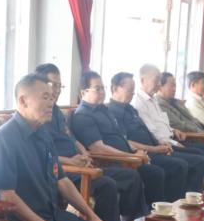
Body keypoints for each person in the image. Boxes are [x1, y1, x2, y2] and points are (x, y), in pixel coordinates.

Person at [0, 73, 107, 221]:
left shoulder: (43, 134)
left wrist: (91, 215)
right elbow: (7, 196)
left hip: (50, 213)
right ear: (23, 100)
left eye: (52, 97)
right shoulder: (3, 139)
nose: (51, 102)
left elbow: (62, 181)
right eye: (44, 97)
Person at [35, 63, 148, 221]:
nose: (57, 90)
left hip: (78, 163)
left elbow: (71, 138)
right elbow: (42, 156)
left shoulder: (56, 112)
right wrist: (71, 162)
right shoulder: (38, 114)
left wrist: (84, 153)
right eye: (52, 85)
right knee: (106, 185)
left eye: (59, 85)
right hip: (64, 170)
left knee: (130, 176)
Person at [69, 71, 173, 206]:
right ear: (83, 92)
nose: (102, 92)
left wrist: (137, 152)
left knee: (155, 172)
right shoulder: (83, 115)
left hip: (125, 158)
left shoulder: (104, 110)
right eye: (97, 89)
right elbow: (97, 148)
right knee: (136, 175)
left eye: (103, 88)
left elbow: (123, 138)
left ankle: (156, 214)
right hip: (111, 162)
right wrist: (132, 157)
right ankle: (135, 219)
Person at [128, 65, 204, 194]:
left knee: (198, 155)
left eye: (160, 80)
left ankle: (191, 197)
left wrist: (174, 130)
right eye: (156, 80)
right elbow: (152, 132)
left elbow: (161, 122)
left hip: (169, 140)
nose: (159, 84)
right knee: (192, 161)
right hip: (160, 145)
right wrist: (173, 143)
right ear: (143, 81)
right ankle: (183, 199)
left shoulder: (153, 99)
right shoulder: (139, 103)